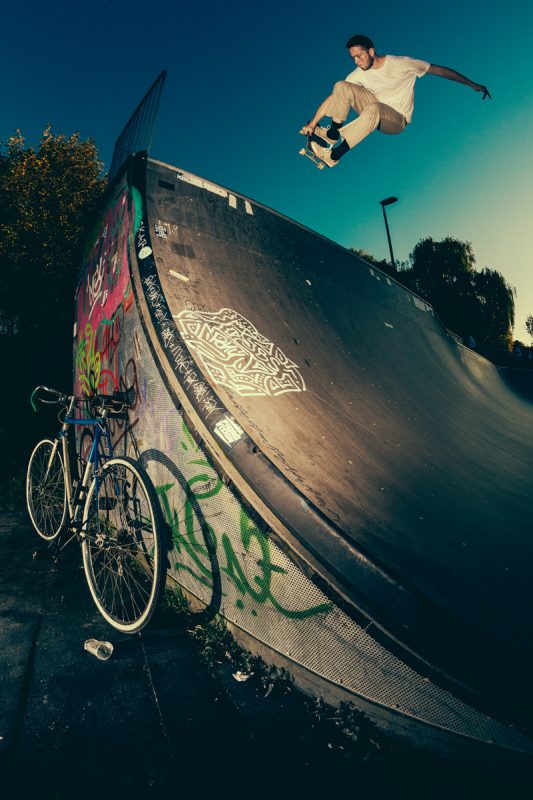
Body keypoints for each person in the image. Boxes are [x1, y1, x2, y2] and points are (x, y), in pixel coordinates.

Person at [302, 34, 491, 168]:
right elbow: (335, 97)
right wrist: (313, 123)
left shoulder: (401, 63)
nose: (357, 62)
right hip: (372, 113)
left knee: (375, 107)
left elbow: (439, 70)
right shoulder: (358, 74)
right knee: (341, 85)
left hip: (396, 121)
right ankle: (333, 133)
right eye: (353, 58)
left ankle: (334, 155)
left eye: (359, 56)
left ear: (371, 51)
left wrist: (472, 84)